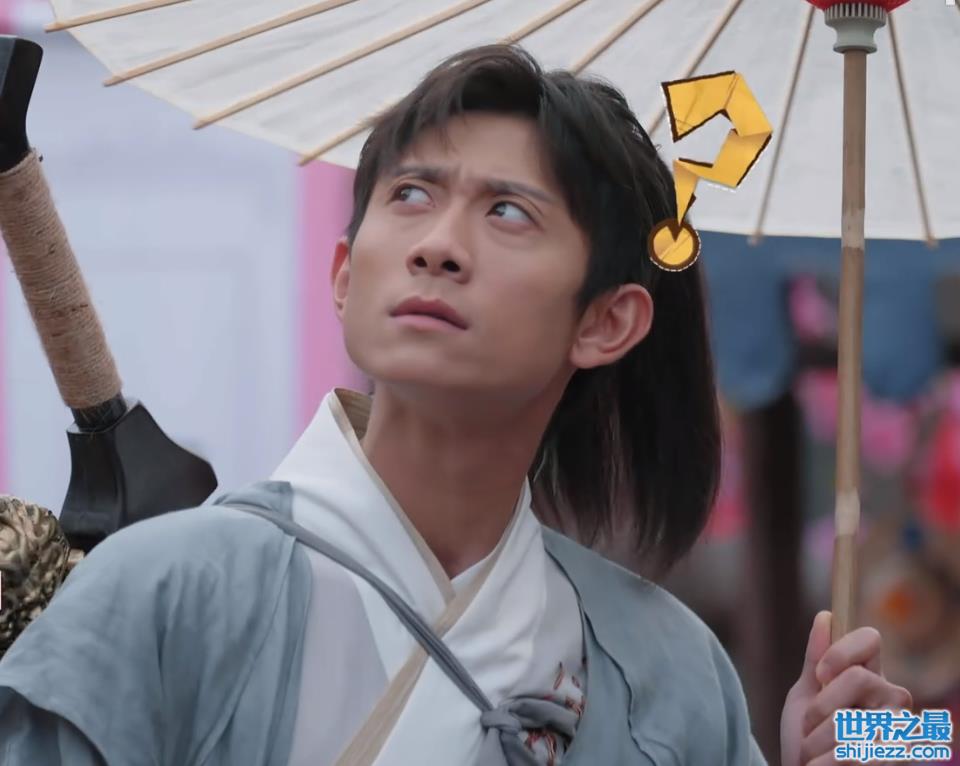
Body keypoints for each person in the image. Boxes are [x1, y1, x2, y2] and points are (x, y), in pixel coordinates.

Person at [0, 45, 911, 765]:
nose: (437, 245)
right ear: (345, 275)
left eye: (508, 212)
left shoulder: (675, 676)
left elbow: (904, 741)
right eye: (410, 194)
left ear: (607, 321)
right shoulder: (163, 595)